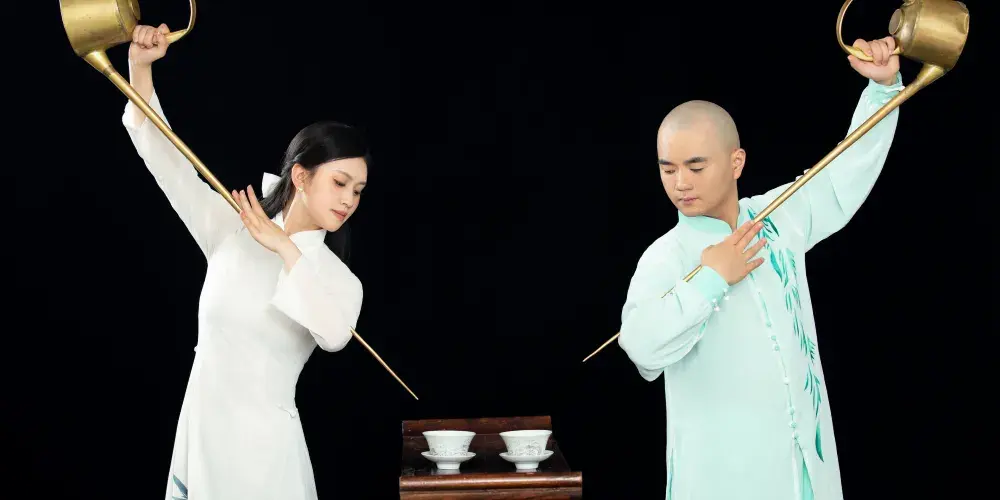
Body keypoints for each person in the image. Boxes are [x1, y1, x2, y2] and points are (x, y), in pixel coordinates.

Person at [616, 37, 903, 500]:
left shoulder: (777, 217)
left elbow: (840, 176)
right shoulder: (666, 256)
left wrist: (883, 90)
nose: (681, 183)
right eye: (668, 169)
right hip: (723, 483)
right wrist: (711, 278)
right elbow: (641, 347)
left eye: (695, 167)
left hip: (805, 472)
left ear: (736, 162)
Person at [123, 24, 368, 499]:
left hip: (266, 460)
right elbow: (169, 161)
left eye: (357, 191)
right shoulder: (232, 228)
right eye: (339, 183)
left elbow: (335, 336)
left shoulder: (339, 281)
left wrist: (284, 248)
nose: (348, 200)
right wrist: (140, 68)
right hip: (202, 436)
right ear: (301, 176)